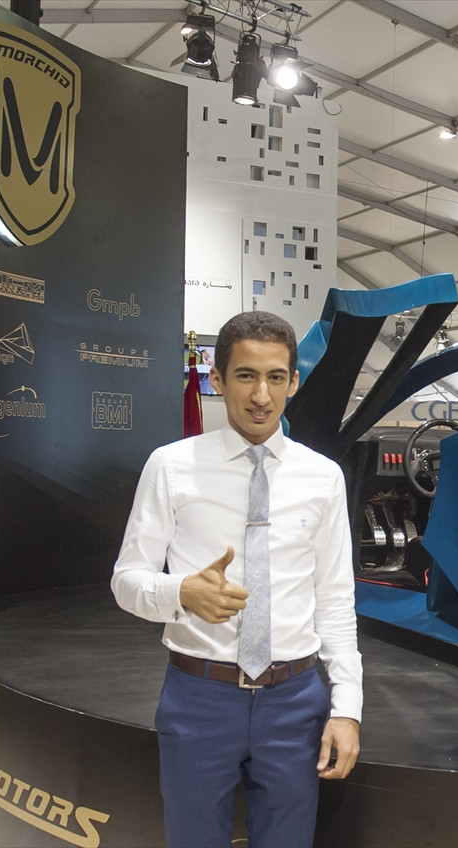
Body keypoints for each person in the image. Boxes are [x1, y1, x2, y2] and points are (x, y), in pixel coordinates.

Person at [112, 311, 362, 847]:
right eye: (246, 376)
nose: (261, 396)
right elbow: (126, 581)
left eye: (276, 377)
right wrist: (181, 593)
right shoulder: (170, 466)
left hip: (295, 703)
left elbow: (335, 601)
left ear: (294, 382)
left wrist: (347, 708)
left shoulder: (323, 477)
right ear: (218, 379)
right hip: (199, 698)